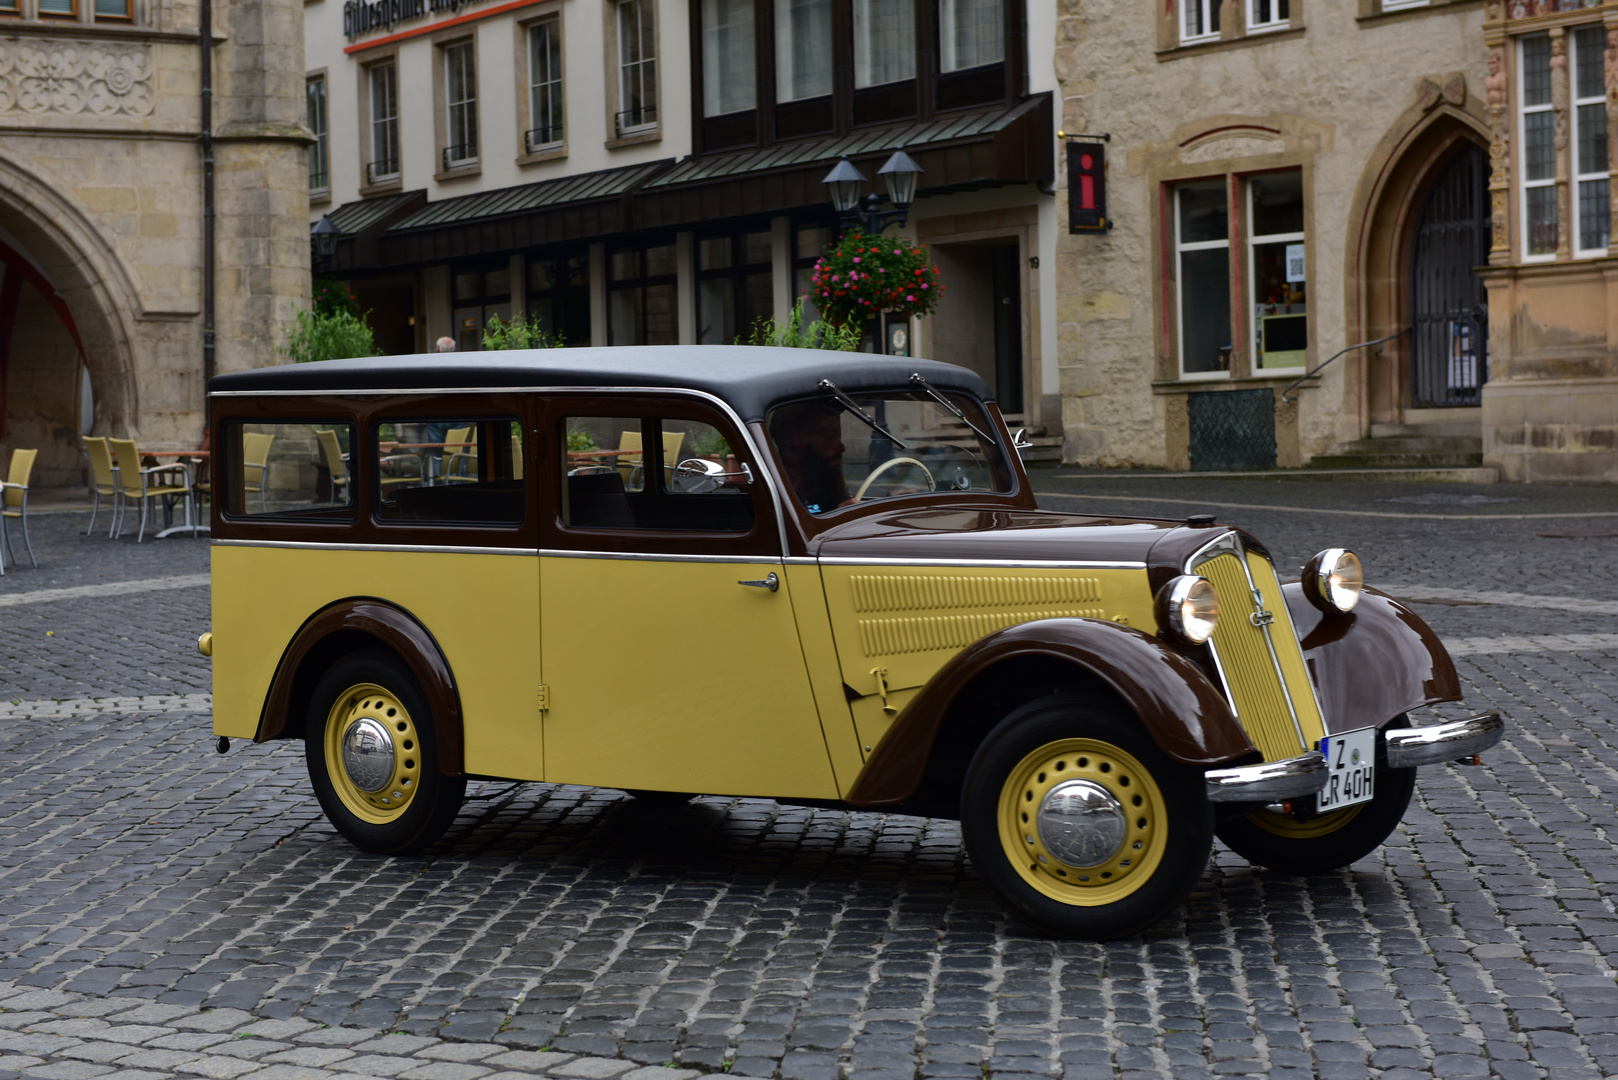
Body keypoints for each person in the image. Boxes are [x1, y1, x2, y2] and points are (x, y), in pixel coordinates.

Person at [770, 401, 855, 513]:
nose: (841, 447)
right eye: (829, 436)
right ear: (797, 438)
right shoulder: (772, 491)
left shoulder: (826, 486)